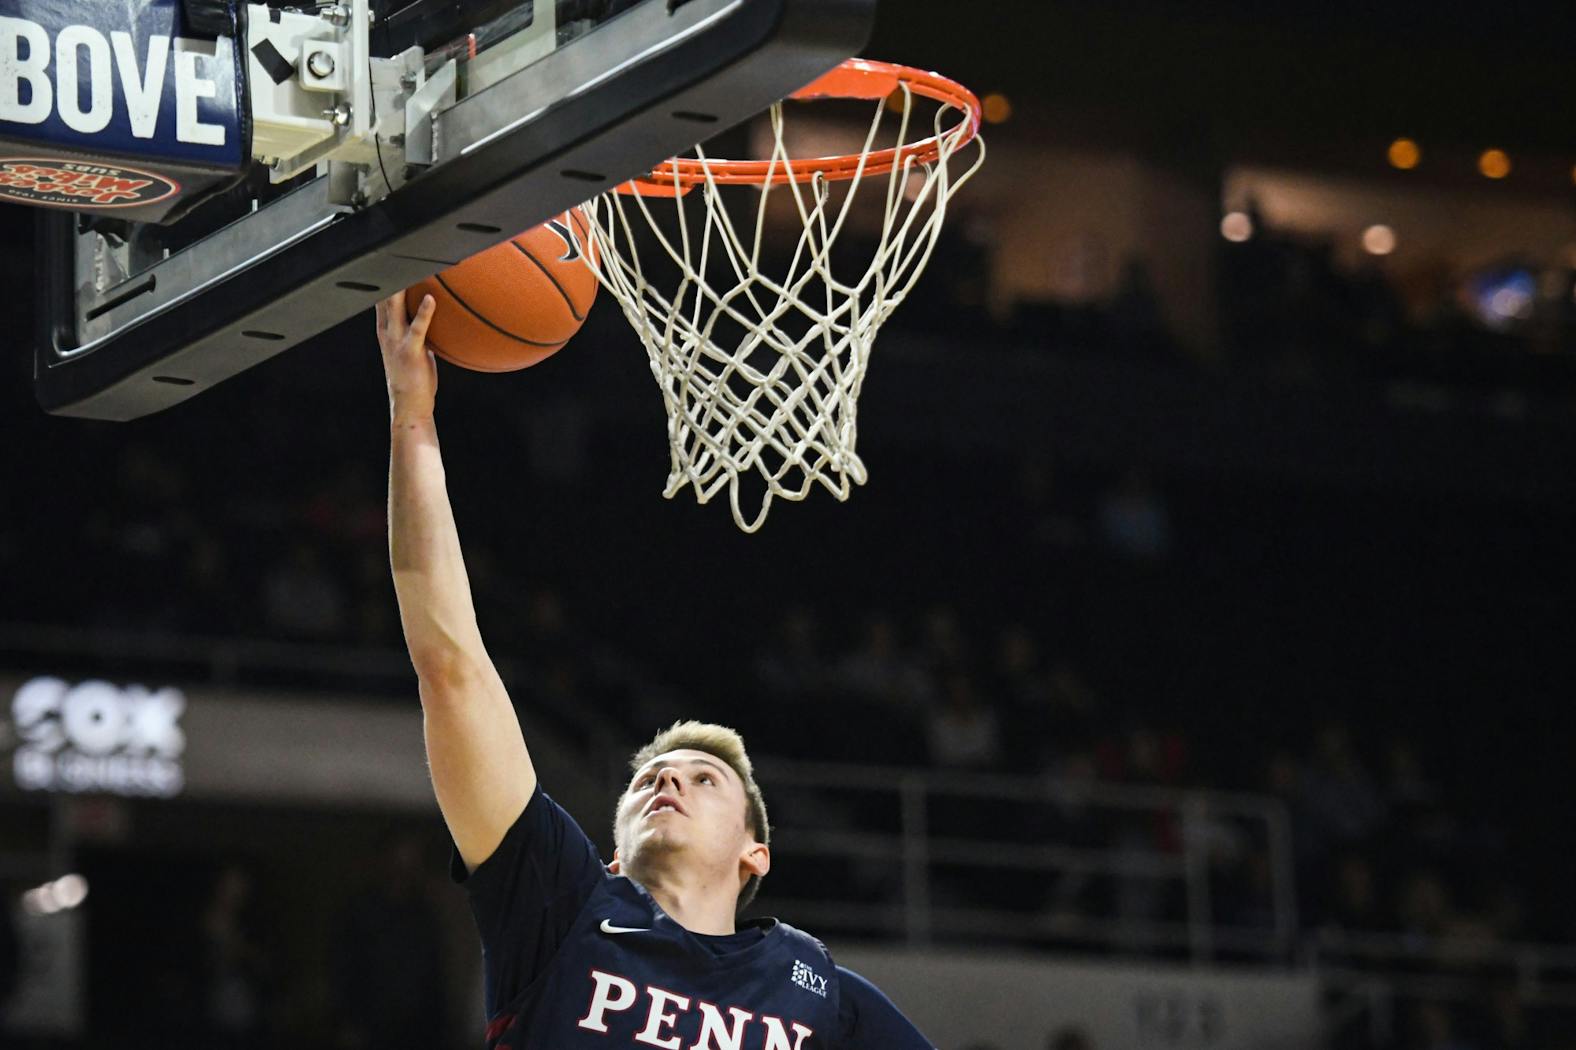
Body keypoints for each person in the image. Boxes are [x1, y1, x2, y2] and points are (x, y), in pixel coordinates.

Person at [376, 292, 936, 1050]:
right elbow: (451, 665)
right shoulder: (563, 906)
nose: (668, 780)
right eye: (648, 779)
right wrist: (412, 417)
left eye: (705, 780)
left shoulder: (819, 991)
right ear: (613, 854)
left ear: (755, 854)